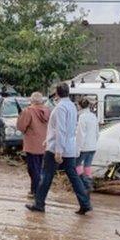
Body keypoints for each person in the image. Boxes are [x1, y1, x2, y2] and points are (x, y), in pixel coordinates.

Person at [25, 83, 92, 215]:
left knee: (46, 176)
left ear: (56, 93)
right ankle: (85, 203)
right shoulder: (72, 106)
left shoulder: (60, 108)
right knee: (73, 177)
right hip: (68, 148)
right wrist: (48, 140)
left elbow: (61, 130)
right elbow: (66, 128)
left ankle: (39, 204)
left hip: (57, 148)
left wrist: (58, 151)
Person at [17, 92, 51, 197]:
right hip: (44, 145)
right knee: (40, 168)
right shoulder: (48, 111)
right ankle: (36, 190)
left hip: (32, 145)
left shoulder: (28, 111)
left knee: (33, 169)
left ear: (31, 100)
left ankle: (36, 191)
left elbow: (21, 126)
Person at [75, 98, 99, 191]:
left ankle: (84, 184)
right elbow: (97, 133)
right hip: (93, 146)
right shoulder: (93, 116)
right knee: (87, 166)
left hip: (84, 147)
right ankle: (89, 183)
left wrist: (78, 148)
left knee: (77, 165)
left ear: (80, 106)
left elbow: (80, 134)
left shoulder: (82, 117)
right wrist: (94, 142)